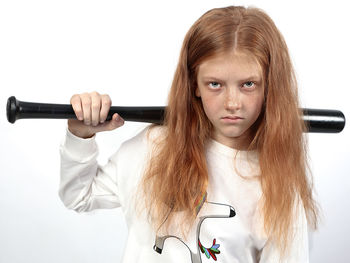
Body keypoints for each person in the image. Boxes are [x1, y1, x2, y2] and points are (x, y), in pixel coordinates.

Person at [59, 5, 319, 263]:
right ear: (194, 84)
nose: (232, 102)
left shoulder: (277, 188)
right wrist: (80, 135)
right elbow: (79, 196)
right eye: (215, 84)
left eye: (248, 84)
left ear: (269, 86)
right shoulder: (152, 147)